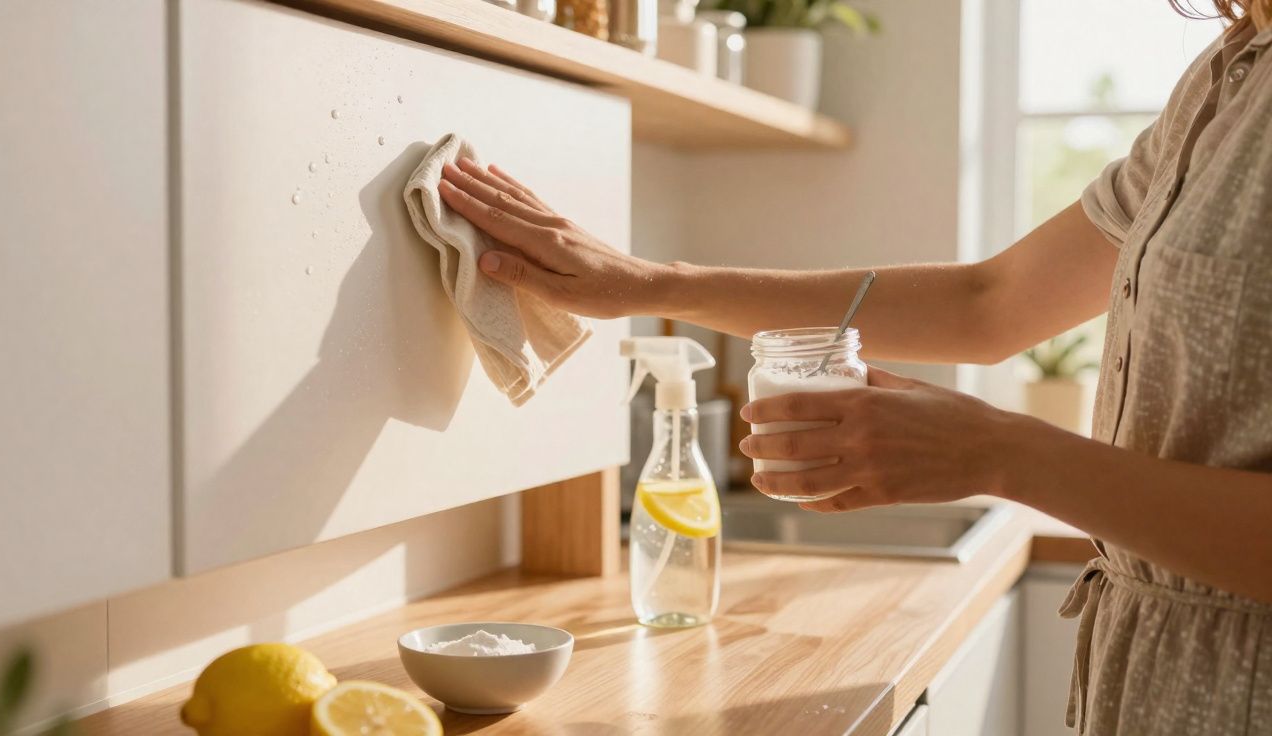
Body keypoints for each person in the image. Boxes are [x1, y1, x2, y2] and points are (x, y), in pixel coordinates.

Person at [436, 2, 1272, 732]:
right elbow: (992, 300)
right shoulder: (1222, 77)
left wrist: (999, 452)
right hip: (1150, 682)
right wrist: (648, 283)